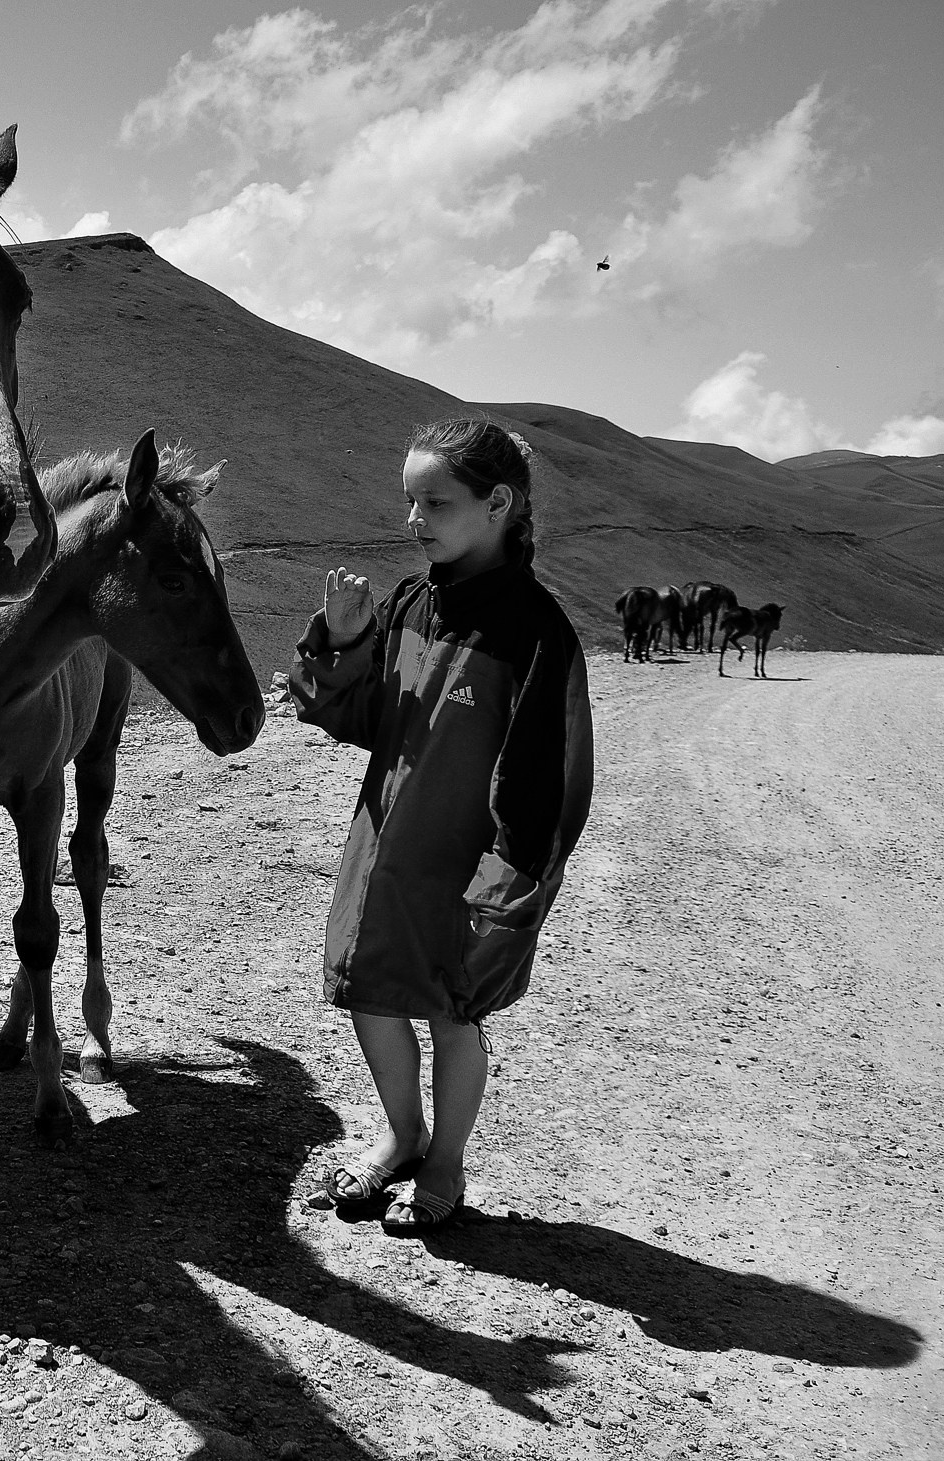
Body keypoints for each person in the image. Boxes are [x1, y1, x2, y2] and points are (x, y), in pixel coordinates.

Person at [288, 419, 592, 1233]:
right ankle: (403, 1133)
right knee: (370, 996)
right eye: (408, 499)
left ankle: (447, 1158)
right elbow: (363, 718)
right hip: (382, 846)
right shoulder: (413, 600)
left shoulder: (538, 636)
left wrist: (499, 900)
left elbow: (543, 792)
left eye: (435, 501)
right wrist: (348, 639)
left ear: (498, 504)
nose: (413, 519)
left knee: (455, 1012)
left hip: (466, 868)